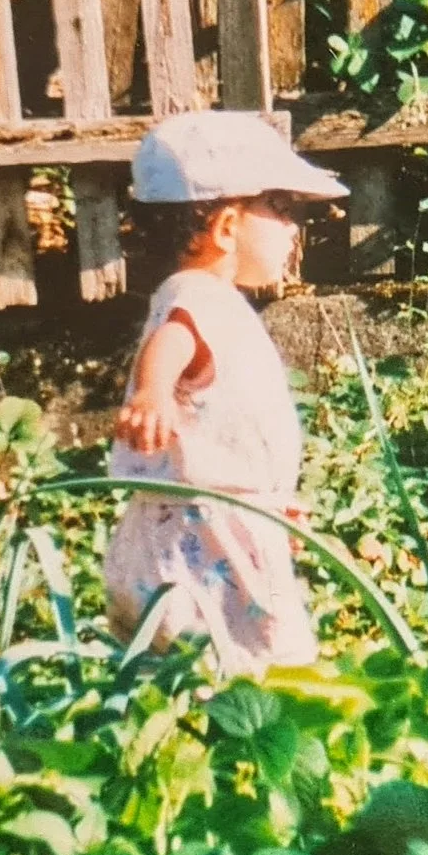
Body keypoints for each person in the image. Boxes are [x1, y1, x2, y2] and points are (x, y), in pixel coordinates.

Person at [104, 111, 349, 676]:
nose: (294, 228)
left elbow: (226, 429)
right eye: (283, 209)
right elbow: (174, 336)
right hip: (201, 540)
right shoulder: (197, 295)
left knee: (187, 675)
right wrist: (153, 390)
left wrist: (267, 504)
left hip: (210, 524)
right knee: (242, 668)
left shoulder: (215, 300)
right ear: (226, 229)